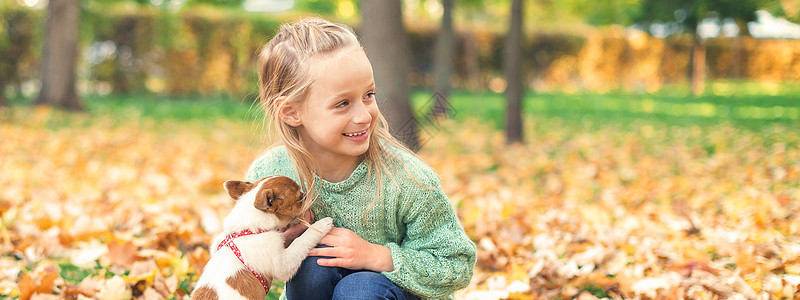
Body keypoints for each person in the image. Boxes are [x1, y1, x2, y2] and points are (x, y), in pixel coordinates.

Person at [244, 17, 476, 300]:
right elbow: (243, 257)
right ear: (292, 112)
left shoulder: (408, 179)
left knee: (359, 290)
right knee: (312, 265)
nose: (364, 115)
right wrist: (283, 241)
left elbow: (456, 264)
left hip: (386, 293)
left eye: (369, 95)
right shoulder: (270, 176)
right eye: (343, 103)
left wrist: (377, 256)